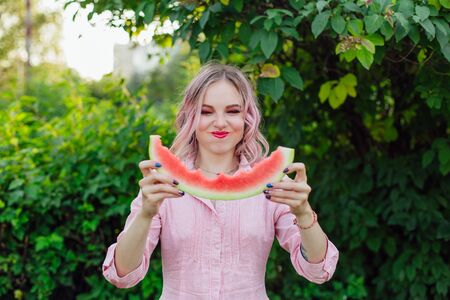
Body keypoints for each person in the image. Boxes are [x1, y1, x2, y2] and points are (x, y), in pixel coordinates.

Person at [102, 62, 339, 299]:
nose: (220, 122)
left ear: (247, 117)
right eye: (206, 112)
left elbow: (317, 270)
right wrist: (146, 213)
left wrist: (304, 213)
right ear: (191, 116)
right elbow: (122, 274)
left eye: (233, 111)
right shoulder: (162, 183)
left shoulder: (273, 183)